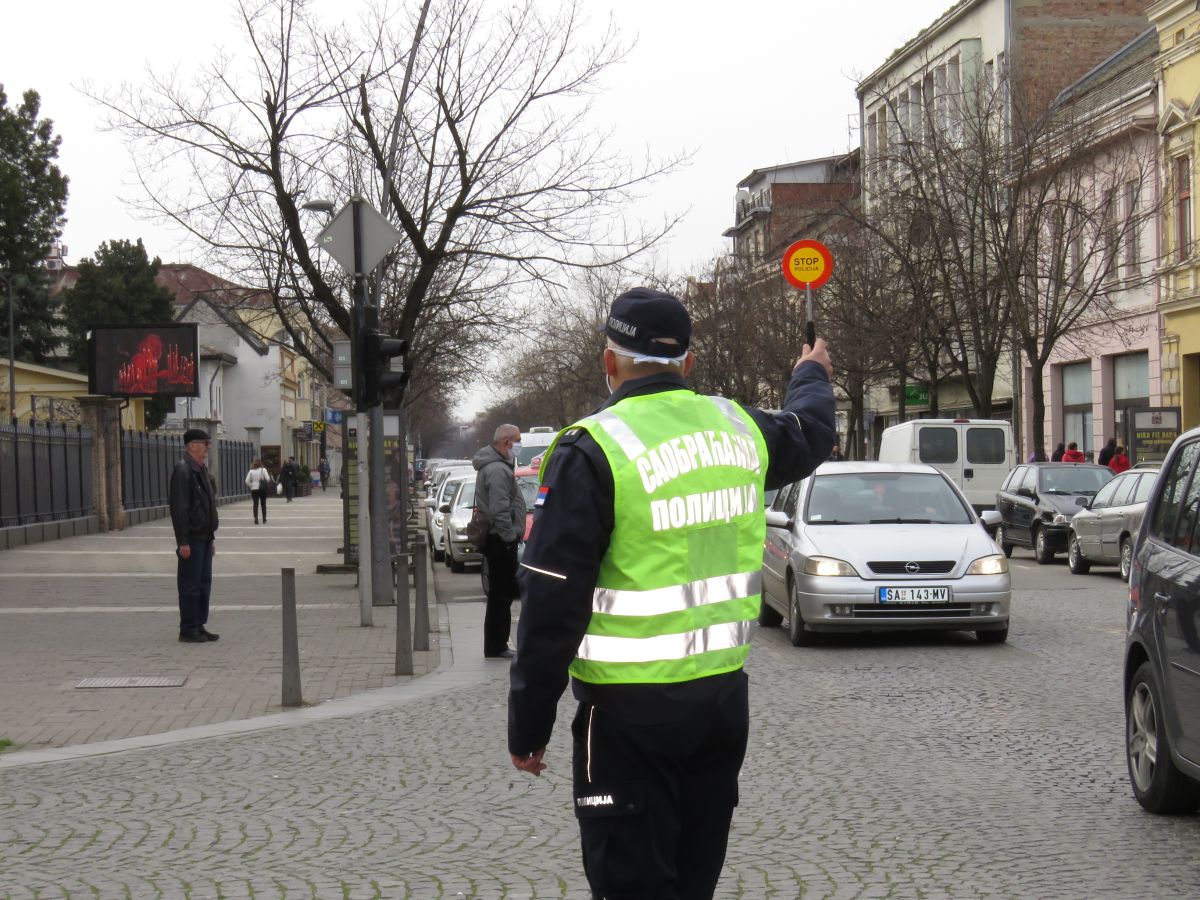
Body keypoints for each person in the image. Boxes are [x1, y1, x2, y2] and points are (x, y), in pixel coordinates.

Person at [508, 287, 836, 899]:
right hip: (720, 707)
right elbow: (812, 431)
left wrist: (528, 726)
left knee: (631, 883)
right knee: (693, 881)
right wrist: (810, 373)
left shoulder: (593, 449)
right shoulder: (739, 428)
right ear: (688, 362)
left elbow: (553, 599)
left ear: (610, 362)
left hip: (628, 719)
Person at [473, 424, 525, 659]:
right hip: (500, 540)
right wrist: (509, 536)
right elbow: (499, 508)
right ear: (506, 443)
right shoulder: (497, 469)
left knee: (501, 594)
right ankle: (497, 645)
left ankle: (498, 643)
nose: (519, 445)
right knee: (501, 595)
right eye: (518, 440)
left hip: (499, 538)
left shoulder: (499, 466)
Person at [169, 429, 220, 643]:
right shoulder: (183, 470)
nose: (208, 447)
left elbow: (208, 505)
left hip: (205, 537)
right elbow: (180, 509)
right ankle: (188, 628)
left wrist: (211, 537)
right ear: (192, 446)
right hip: (192, 539)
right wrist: (183, 541)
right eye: (204, 443)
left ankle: (199, 624)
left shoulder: (200, 470)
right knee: (190, 584)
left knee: (203, 583)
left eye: (208, 443)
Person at [245, 457, 272, 524]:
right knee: (263, 504)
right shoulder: (264, 470)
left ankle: (256, 519)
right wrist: (264, 482)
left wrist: (252, 485)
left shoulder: (251, 471)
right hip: (262, 489)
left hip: (254, 489)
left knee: (255, 504)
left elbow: (246, 481)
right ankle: (264, 519)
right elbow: (268, 479)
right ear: (261, 463)